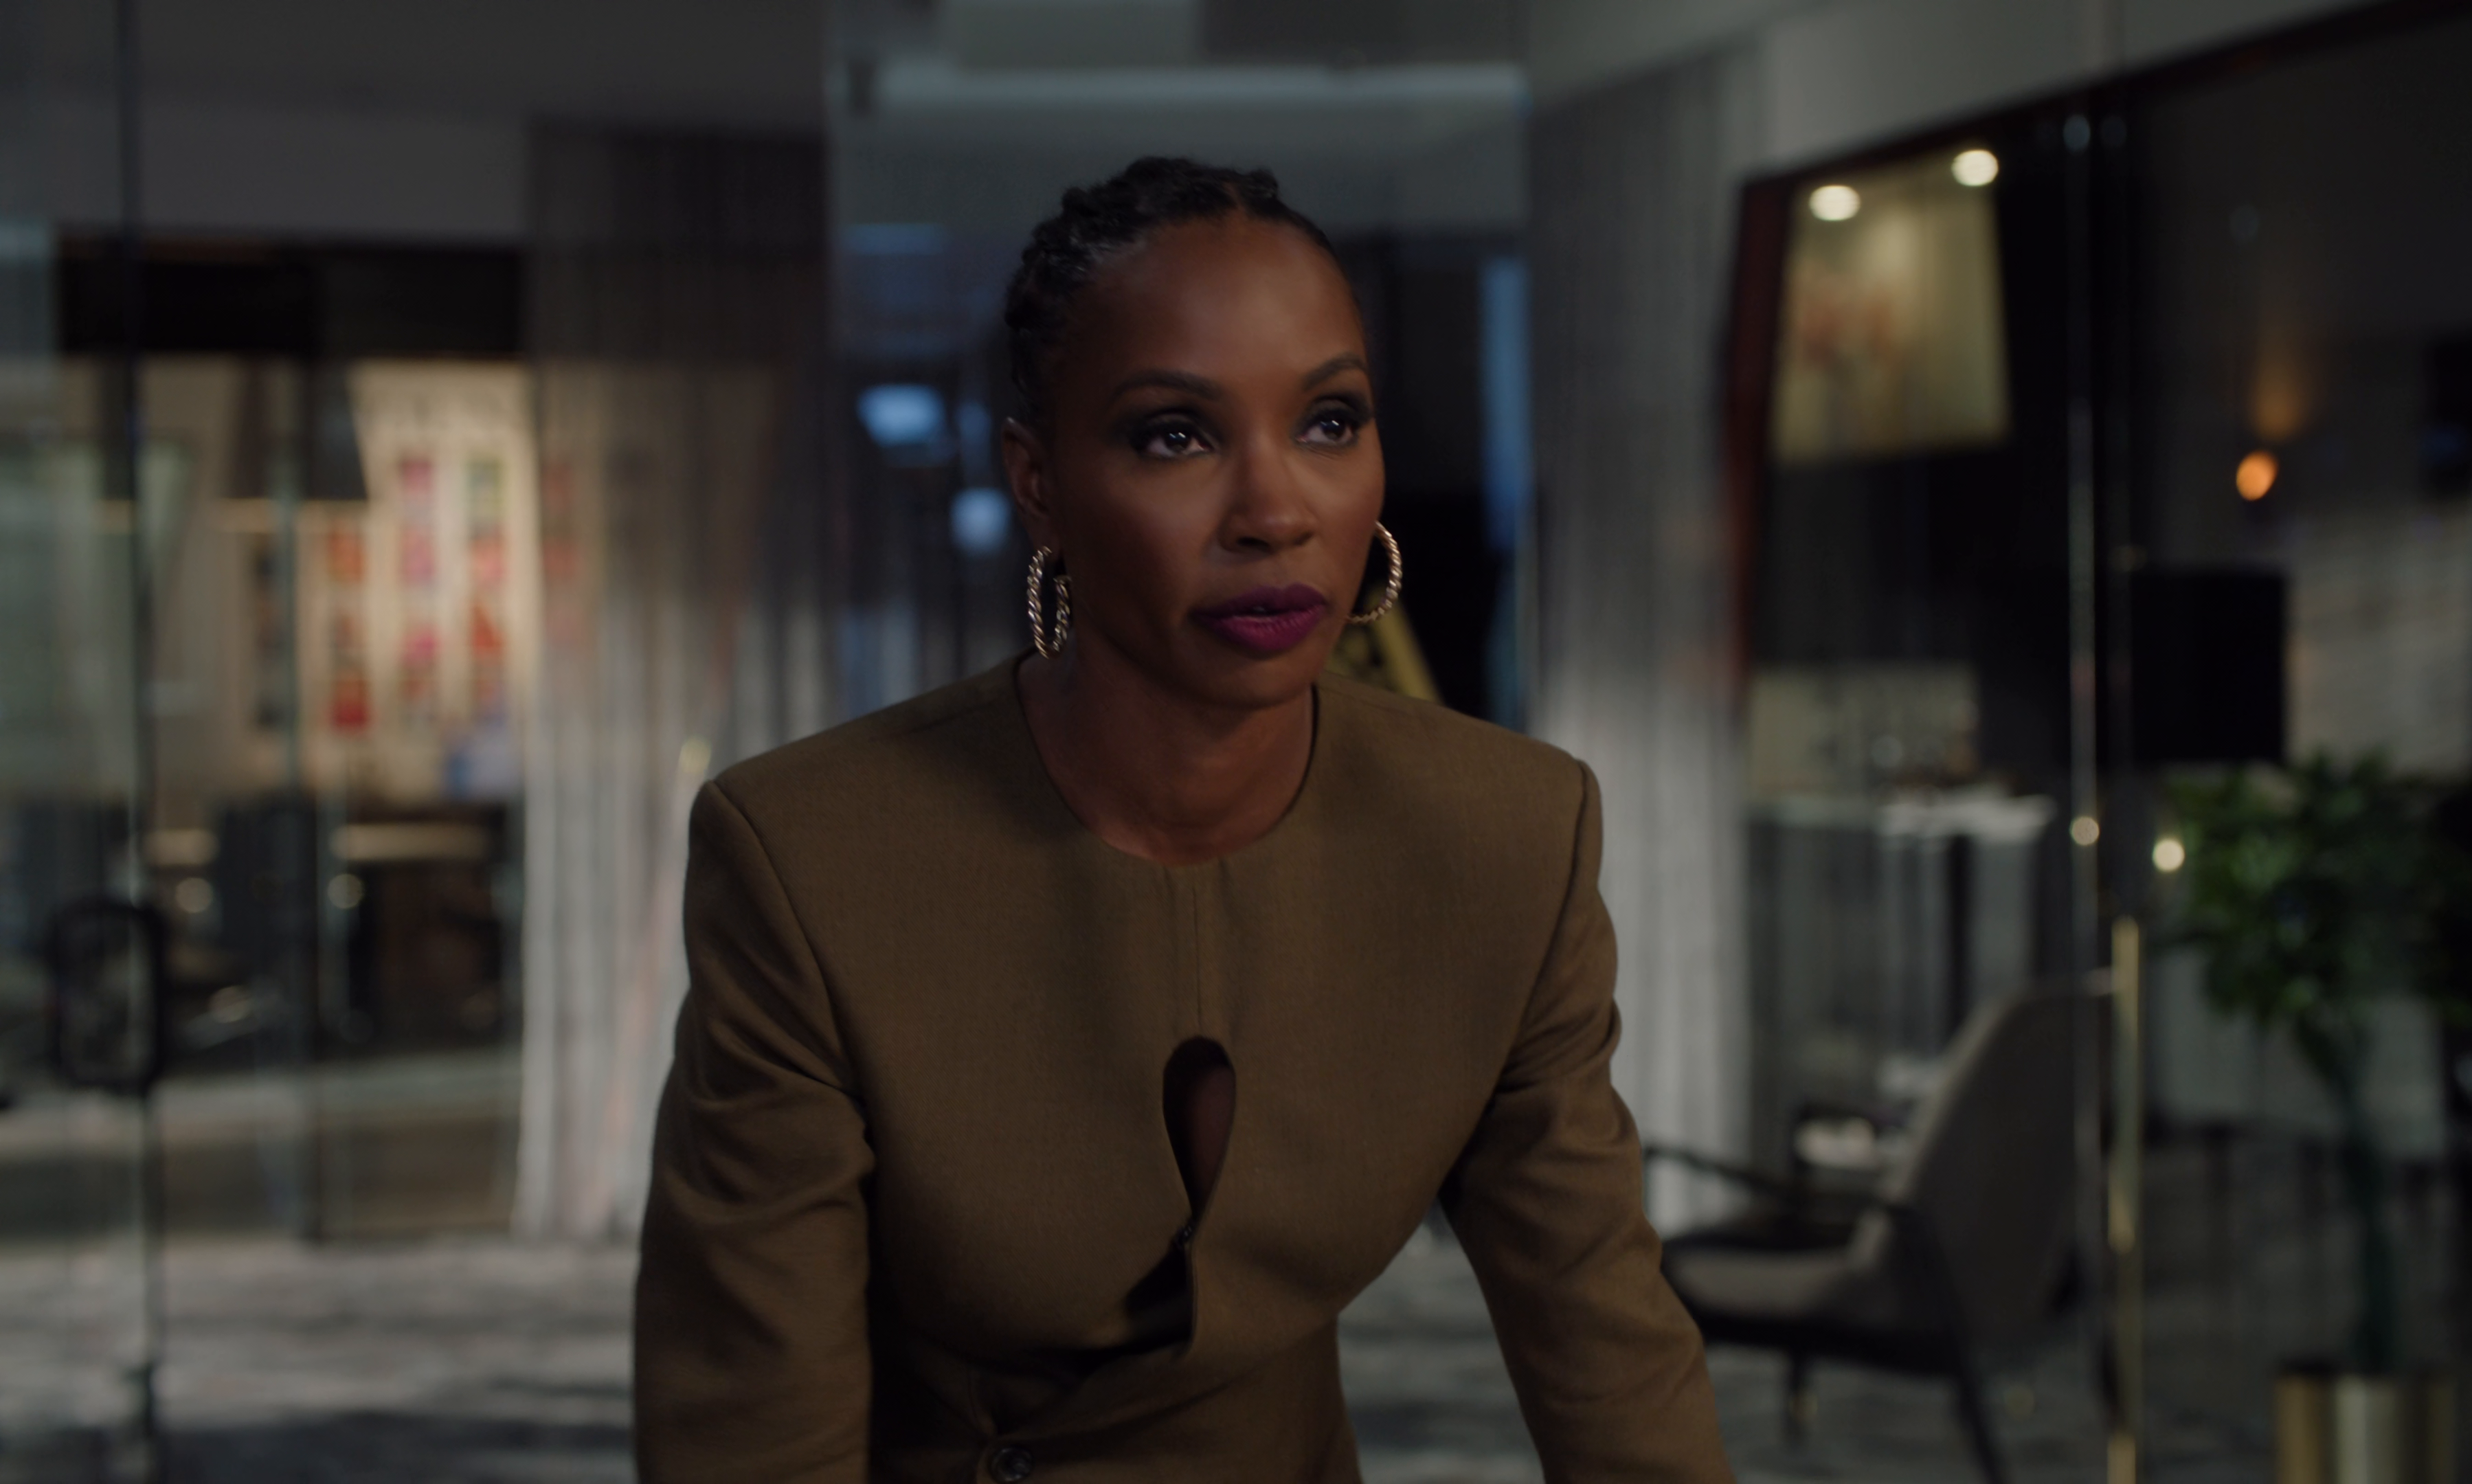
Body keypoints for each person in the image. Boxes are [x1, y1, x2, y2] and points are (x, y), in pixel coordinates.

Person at [633, 157, 1731, 1483]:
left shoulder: (1508, 836)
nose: (1276, 513)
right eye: (1176, 435)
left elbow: (1609, 1351)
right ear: (1038, 482)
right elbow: (748, 1429)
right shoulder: (812, 859)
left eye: (1330, 421)